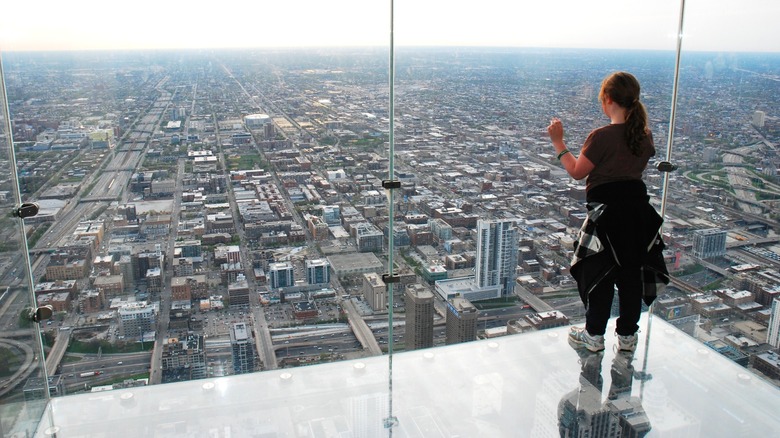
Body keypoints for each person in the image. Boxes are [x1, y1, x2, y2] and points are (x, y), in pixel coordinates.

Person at [547, 71, 669, 353]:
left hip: (606, 216)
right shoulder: (643, 135)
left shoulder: (601, 136)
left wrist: (558, 142)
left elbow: (577, 172)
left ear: (608, 100)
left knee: (599, 273)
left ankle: (594, 336)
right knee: (630, 275)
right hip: (638, 214)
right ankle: (627, 336)